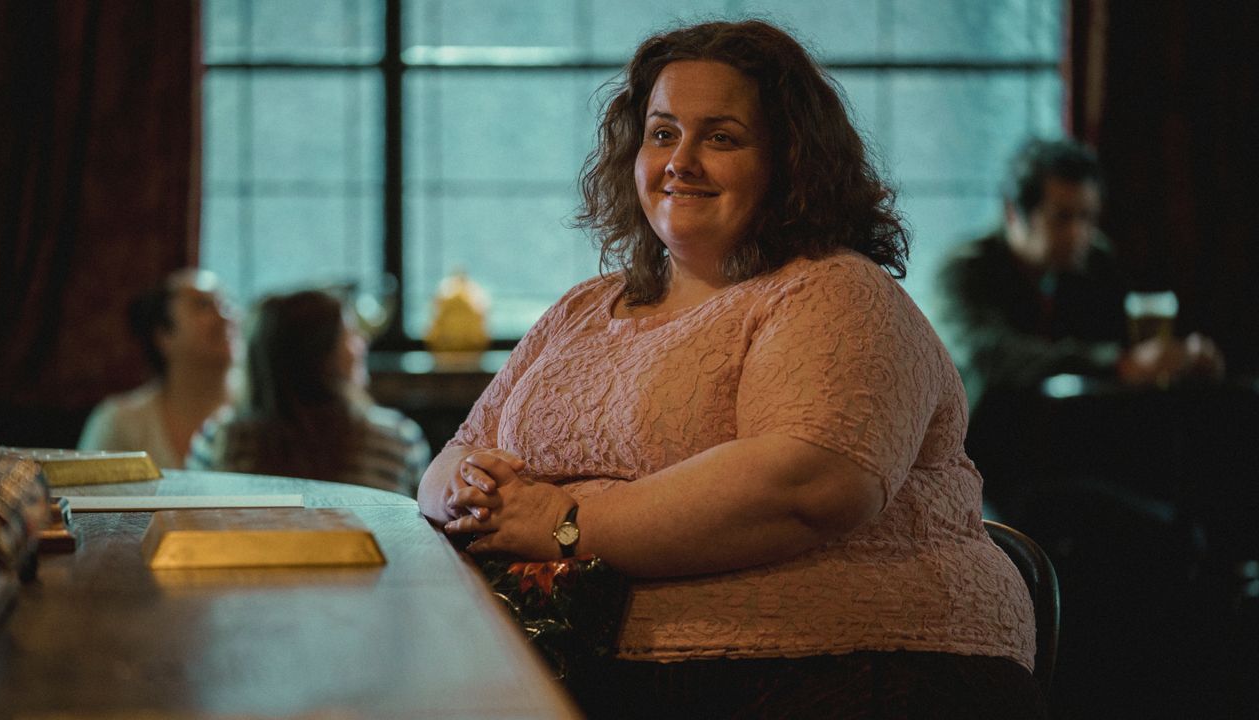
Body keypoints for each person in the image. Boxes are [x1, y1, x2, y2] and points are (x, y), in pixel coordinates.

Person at [419, 20, 1044, 718]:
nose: (681, 160)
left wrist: (566, 522)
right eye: (662, 133)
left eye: (720, 137)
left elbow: (808, 484)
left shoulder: (834, 291)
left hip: (851, 673)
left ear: (790, 161)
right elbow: (455, 454)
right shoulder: (583, 309)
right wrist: (465, 492)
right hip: (577, 667)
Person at [937, 137, 1224, 413]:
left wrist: (1182, 357)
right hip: (981, 442)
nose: (1079, 233)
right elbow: (992, 356)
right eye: (1062, 217)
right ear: (1014, 213)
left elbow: (1128, 341)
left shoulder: (1095, 261)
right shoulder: (965, 270)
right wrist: (1116, 364)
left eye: (1088, 217)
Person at [187, 289, 430, 496]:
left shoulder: (218, 440)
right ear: (322, 357)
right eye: (349, 334)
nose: (362, 342)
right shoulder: (398, 441)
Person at [78, 268, 237, 469]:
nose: (225, 316)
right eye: (203, 305)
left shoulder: (261, 420)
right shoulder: (120, 423)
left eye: (227, 303)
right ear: (163, 336)